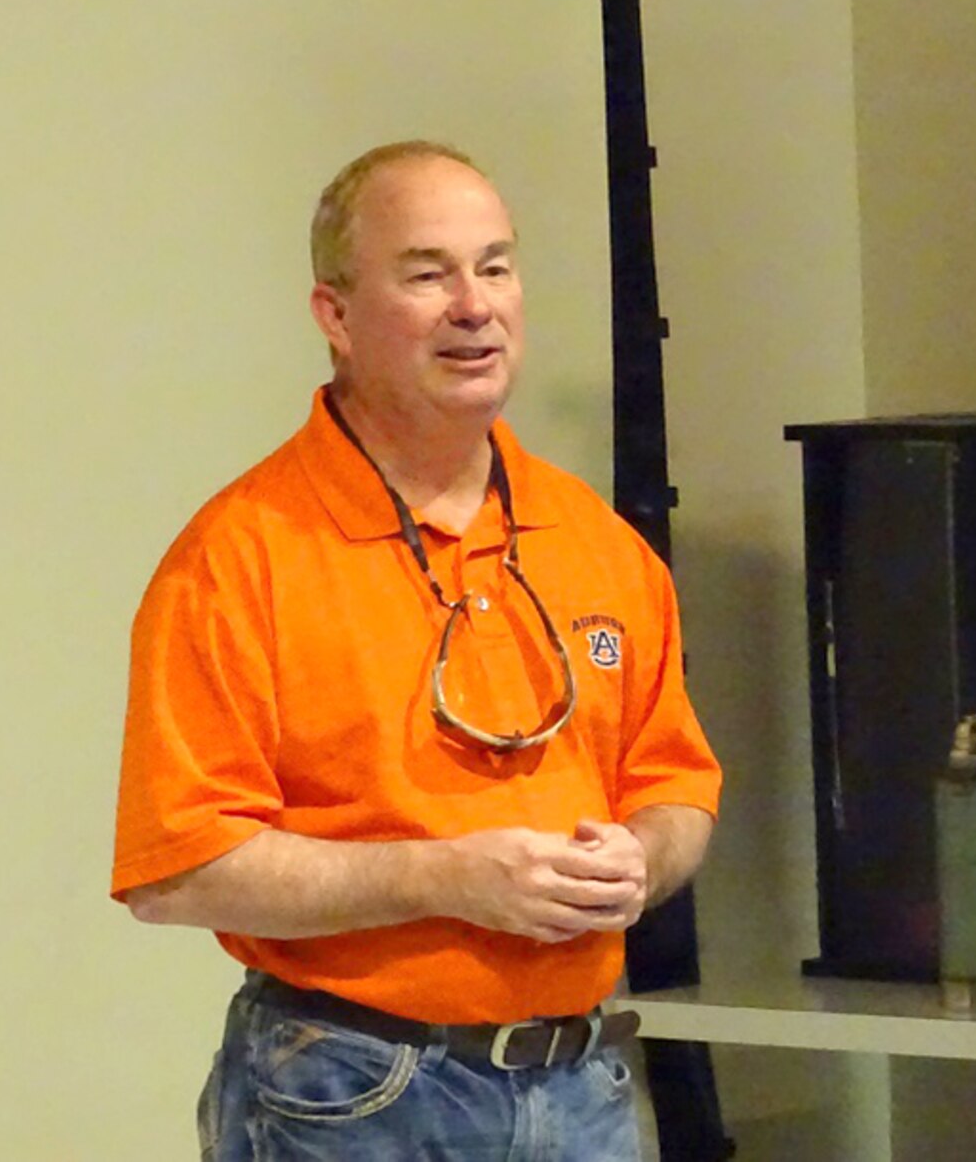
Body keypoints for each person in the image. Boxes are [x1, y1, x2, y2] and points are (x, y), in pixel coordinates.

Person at [111, 140, 721, 1160]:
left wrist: (640, 858)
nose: (473, 305)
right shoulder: (242, 554)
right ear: (336, 317)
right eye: (427, 272)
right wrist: (439, 878)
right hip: (352, 1089)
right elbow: (181, 866)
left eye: (494, 265)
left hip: (584, 1089)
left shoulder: (595, 541)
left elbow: (675, 788)